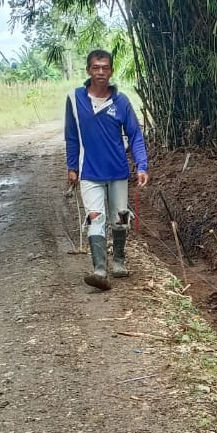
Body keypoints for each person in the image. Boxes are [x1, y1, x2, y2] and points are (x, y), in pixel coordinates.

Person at [65, 49, 149, 290]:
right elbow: (71, 136)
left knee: (121, 217)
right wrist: (72, 166)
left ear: (111, 71)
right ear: (89, 70)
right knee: (95, 217)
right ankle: (99, 269)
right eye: (95, 67)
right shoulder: (75, 99)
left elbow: (135, 135)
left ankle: (119, 261)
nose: (100, 72)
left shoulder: (121, 102)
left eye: (105, 68)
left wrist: (141, 165)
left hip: (118, 171)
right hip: (89, 171)